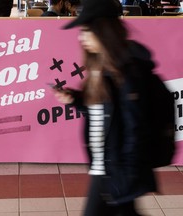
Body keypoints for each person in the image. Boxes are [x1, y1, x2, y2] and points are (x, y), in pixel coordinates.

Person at [53, 0, 157, 215]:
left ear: (104, 31)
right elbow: (101, 113)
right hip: (107, 168)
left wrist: (126, 176)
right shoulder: (101, 67)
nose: (82, 38)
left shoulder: (127, 74)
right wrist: (76, 100)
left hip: (115, 171)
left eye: (87, 31)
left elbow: (135, 130)